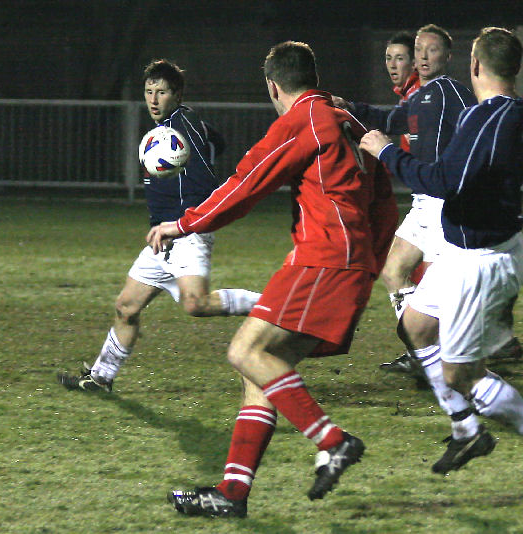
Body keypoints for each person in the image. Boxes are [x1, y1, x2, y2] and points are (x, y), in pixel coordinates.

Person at [147, 41, 398, 518]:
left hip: (323, 260)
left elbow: (246, 183)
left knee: (245, 352)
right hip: (348, 262)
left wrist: (182, 223)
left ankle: (333, 441)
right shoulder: (348, 121)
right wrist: (373, 262)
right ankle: (232, 494)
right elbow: (384, 200)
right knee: (259, 372)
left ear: (273, 86)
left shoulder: (303, 120)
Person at [360, 27, 523, 486]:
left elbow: (443, 180)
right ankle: (466, 429)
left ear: (475, 65)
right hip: (479, 248)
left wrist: (385, 151)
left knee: (462, 375)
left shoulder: (486, 117)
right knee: (416, 325)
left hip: (481, 259)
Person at [338, 25, 523, 376]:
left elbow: (482, 118)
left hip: (442, 200)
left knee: (455, 293)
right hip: (424, 199)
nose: (422, 56)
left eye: (431, 50)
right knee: (393, 272)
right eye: (418, 50)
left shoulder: (451, 92)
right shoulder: (420, 97)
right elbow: (394, 119)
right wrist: (352, 108)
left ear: (449, 58)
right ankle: (423, 352)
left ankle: (486, 349)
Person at [57, 59, 261, 392]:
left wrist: (193, 210)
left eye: (162, 92)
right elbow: (215, 139)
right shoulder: (171, 126)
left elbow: (205, 177)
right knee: (126, 306)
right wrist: (210, 147)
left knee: (195, 304)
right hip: (161, 239)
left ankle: (272, 305)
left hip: (186, 233)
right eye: (149, 91)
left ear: (176, 95)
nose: (153, 99)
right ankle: (101, 378)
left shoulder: (181, 121)